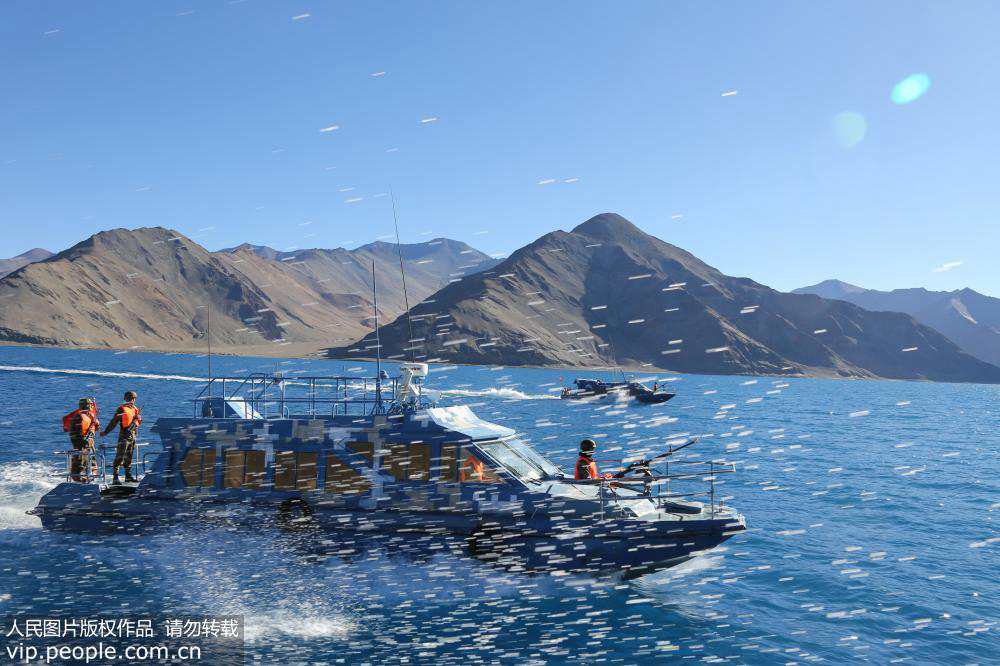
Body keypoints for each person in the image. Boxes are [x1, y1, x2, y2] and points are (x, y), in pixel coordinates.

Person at [102, 391, 142, 484]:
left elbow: (138, 423)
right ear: (126, 398)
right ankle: (115, 478)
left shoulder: (135, 409)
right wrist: (105, 432)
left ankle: (128, 476)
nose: (132, 400)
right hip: (124, 436)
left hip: (132, 436)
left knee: (129, 457)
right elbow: (113, 422)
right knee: (119, 457)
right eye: (131, 398)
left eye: (133, 398)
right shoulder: (121, 409)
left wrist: (138, 419)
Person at [62, 398, 99, 482]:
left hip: (88, 444)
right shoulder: (79, 417)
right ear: (84, 405)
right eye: (89, 404)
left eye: (91, 404)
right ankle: (79, 481)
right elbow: (77, 433)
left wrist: (95, 424)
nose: (90, 406)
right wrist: (83, 441)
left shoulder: (89, 416)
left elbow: (94, 428)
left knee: (91, 463)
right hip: (80, 445)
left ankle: (87, 479)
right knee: (79, 464)